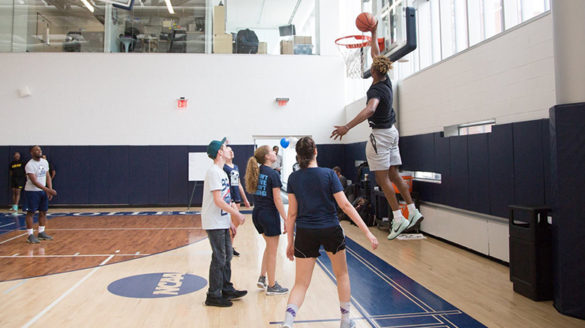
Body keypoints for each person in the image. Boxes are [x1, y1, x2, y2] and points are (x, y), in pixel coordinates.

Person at [330, 25, 423, 240]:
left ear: (373, 70)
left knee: (382, 179)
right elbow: (374, 53)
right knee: (394, 174)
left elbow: (371, 109)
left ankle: (398, 218)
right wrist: (373, 34)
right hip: (392, 132)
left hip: (380, 135)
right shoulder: (386, 80)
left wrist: (347, 127)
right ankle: (413, 210)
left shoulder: (375, 89)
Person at [281, 137, 379, 328]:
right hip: (330, 229)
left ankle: (288, 322)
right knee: (342, 275)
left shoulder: (294, 178)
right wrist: (368, 232)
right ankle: (345, 321)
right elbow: (346, 205)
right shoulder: (329, 174)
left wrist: (290, 243)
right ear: (315, 151)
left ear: (298, 156)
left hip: (305, 232)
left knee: (300, 283)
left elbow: (292, 213)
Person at [202, 137, 247, 307]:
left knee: (227, 255)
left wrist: (230, 222)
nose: (229, 149)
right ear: (220, 152)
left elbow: (225, 200)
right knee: (219, 257)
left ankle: (226, 288)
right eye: (226, 147)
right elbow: (218, 200)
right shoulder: (213, 171)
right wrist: (237, 213)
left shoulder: (222, 172)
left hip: (221, 220)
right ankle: (213, 295)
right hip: (213, 222)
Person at [245, 145, 289, 295]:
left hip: (257, 214)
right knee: (273, 251)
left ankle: (263, 277)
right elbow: (277, 199)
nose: (274, 152)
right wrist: (286, 219)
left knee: (269, 247)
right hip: (269, 215)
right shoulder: (273, 174)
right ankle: (272, 285)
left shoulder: (258, 172)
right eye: (271, 151)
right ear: (266, 157)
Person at [24, 146, 57, 244]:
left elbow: (48, 176)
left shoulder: (44, 162)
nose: (39, 151)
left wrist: (49, 189)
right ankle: (30, 235)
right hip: (32, 191)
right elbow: (34, 181)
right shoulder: (29, 165)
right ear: (31, 152)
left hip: (42, 191)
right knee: (31, 213)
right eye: (36, 150)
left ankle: (41, 232)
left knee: (43, 212)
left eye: (40, 150)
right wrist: (47, 190)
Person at [223, 146, 250, 257]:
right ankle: (227, 248)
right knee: (230, 224)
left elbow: (238, 184)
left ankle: (229, 246)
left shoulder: (235, 167)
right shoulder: (223, 168)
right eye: (229, 150)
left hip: (237, 197)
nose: (231, 151)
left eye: (232, 150)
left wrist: (245, 200)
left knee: (235, 224)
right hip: (229, 199)